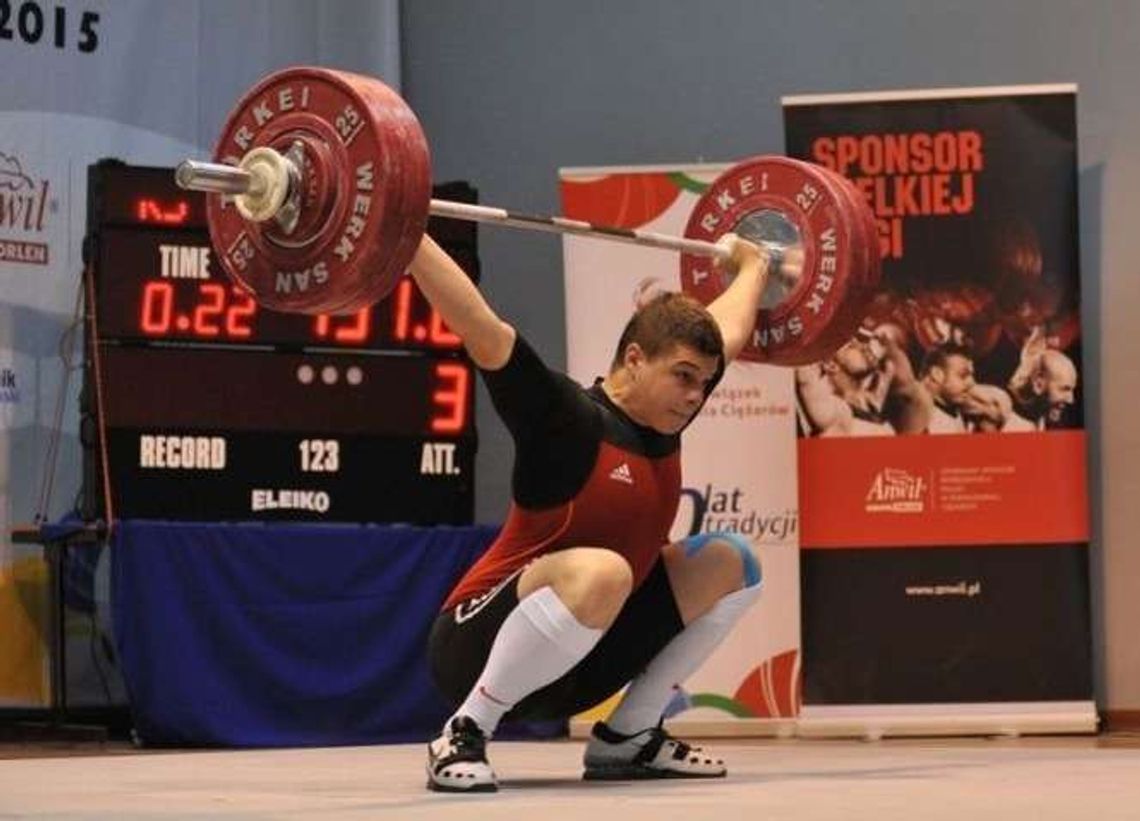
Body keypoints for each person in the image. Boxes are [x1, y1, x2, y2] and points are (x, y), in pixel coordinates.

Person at [410, 231, 770, 792]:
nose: (696, 395)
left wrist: (755, 265)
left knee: (732, 560)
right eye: (683, 376)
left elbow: (730, 330)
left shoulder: (669, 414)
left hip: (580, 660)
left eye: (703, 382)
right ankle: (463, 731)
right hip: (473, 646)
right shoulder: (565, 419)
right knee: (607, 571)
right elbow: (482, 328)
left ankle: (628, 735)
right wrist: (405, 235)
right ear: (634, 359)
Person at [795, 324, 927, 436]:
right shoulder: (839, 413)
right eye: (851, 346)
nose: (862, 345)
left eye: (855, 343)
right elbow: (806, 379)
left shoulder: (863, 409)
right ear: (831, 365)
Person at [918, 343, 977, 434]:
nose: (972, 383)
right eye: (963, 375)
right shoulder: (916, 422)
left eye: (971, 375)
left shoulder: (957, 411)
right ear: (936, 374)